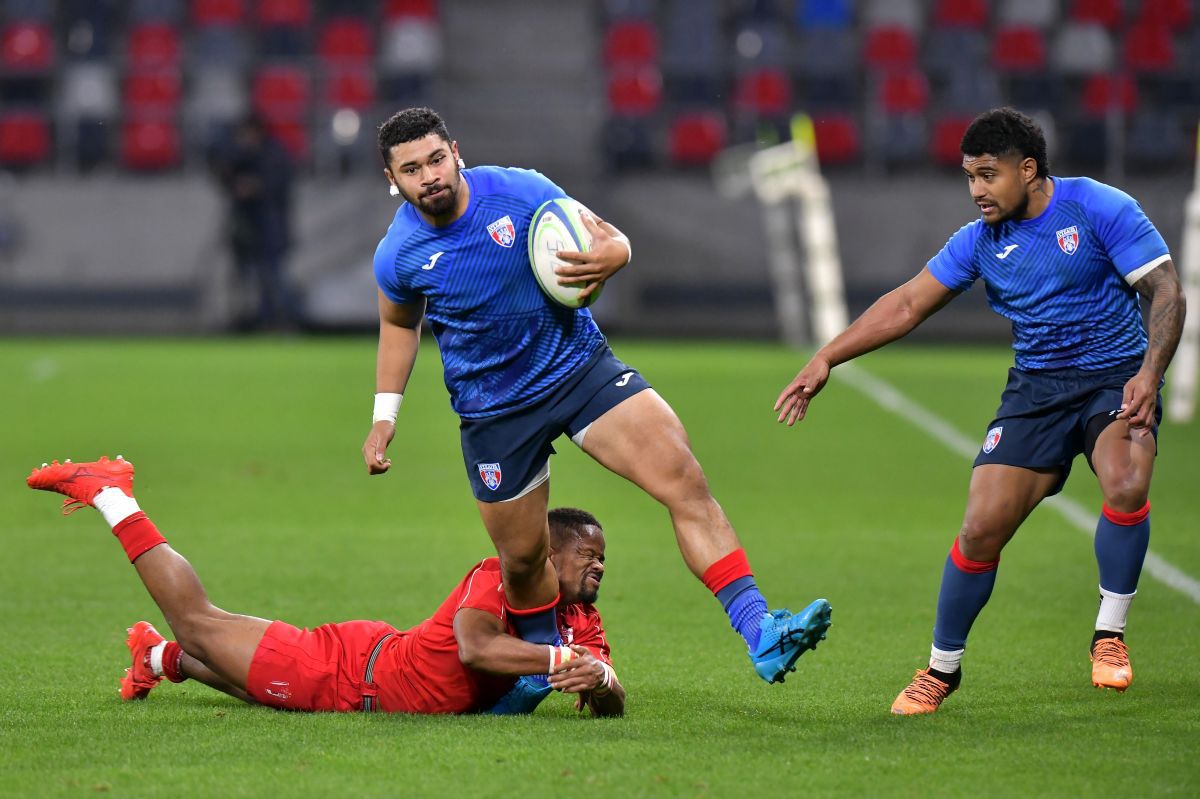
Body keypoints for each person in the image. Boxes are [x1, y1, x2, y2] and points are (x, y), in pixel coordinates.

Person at [362, 107, 831, 685]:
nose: (429, 176)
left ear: (456, 152)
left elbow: (605, 236)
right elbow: (400, 326)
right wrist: (386, 416)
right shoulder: (399, 254)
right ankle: (543, 669)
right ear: (393, 179)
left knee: (683, 479)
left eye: (437, 159)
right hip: (494, 412)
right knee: (525, 558)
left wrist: (620, 252)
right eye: (412, 169)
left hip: (578, 371)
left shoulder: (522, 190)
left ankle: (762, 630)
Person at [774, 107, 1186, 714]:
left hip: (1114, 379)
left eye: (988, 175)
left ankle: (1109, 636)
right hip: (1037, 392)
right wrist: (827, 358)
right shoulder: (979, 242)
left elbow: (1167, 289)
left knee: (1126, 481)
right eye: (969, 177)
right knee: (980, 527)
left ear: (1028, 168)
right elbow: (908, 303)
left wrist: (1151, 374)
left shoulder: (1100, 208)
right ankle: (943, 669)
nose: (976, 191)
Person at [26, 456, 624, 717]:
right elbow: (474, 647)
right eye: (586, 556)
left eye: (602, 559)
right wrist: (557, 660)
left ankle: (156, 656)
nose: (598, 567)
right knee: (201, 623)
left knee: (240, 676)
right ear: (546, 553)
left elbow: (608, 699)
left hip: (366, 668)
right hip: (339, 673)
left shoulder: (581, 624)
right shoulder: (493, 577)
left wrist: (600, 681)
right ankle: (111, 494)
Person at [211, 115, 295, 331]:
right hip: (247, 230)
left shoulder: (274, 154)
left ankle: (282, 322)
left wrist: (255, 187)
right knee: (250, 279)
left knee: (274, 278)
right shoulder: (240, 156)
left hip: (271, 228)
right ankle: (257, 321)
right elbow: (222, 173)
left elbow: (278, 184)